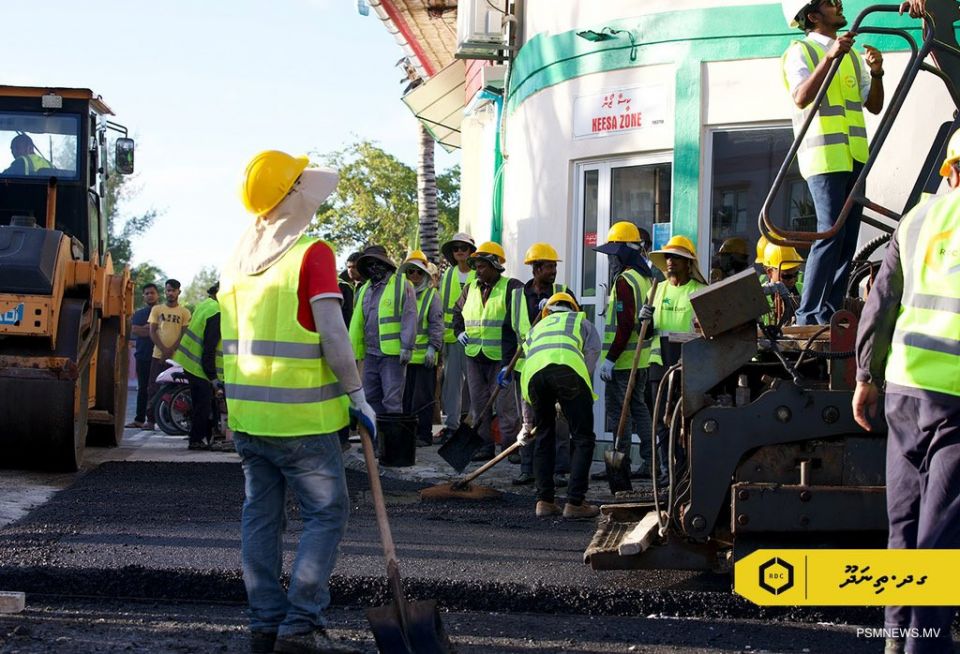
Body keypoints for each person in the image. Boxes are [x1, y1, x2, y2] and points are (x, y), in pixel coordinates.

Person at [221, 150, 371, 654]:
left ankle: (265, 621)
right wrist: (358, 396)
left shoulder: (237, 264)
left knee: (260, 516)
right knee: (327, 513)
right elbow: (332, 333)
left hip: (249, 420)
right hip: (303, 423)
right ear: (291, 196)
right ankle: (301, 624)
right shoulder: (312, 254)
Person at [852, 128, 960, 654]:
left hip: (904, 391)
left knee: (904, 521)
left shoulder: (914, 221)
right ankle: (928, 647)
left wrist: (865, 378)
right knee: (940, 532)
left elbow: (880, 305)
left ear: (950, 172)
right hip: (956, 403)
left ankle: (896, 637)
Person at [781, 0, 884, 326]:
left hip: (855, 157)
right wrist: (830, 57)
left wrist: (877, 72)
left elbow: (875, 105)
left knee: (846, 239)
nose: (839, 5)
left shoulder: (851, 56)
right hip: (824, 158)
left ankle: (831, 310)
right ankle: (809, 314)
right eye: (829, 2)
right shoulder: (802, 51)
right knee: (829, 235)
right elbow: (801, 96)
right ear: (812, 15)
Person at [519, 292, 601, 520]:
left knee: (544, 435)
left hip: (534, 378)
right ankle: (575, 502)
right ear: (572, 308)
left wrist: (526, 424)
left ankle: (544, 501)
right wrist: (573, 394)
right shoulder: (581, 321)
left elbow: (530, 366)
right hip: (568, 372)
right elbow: (592, 353)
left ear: (548, 312)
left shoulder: (537, 329)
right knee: (583, 437)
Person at [509, 242, 577, 487]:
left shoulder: (563, 292)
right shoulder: (517, 297)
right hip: (526, 368)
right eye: (549, 267)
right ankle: (528, 469)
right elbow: (510, 332)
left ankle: (559, 470)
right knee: (528, 421)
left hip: (555, 365)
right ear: (536, 269)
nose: (554, 271)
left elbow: (575, 323)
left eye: (554, 266)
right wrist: (506, 367)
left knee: (559, 420)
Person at [593, 222, 655, 480]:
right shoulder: (645, 278)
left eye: (613, 253)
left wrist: (610, 359)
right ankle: (653, 462)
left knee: (621, 413)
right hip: (640, 359)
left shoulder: (625, 280)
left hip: (623, 362)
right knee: (639, 409)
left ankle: (621, 465)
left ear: (624, 252)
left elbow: (626, 324)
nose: (611, 259)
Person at [452, 241, 524, 461]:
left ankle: (510, 448)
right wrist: (458, 332)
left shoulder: (512, 287)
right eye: (477, 266)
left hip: (501, 359)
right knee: (479, 404)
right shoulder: (470, 288)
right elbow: (457, 313)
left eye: (482, 266)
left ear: (495, 265)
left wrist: (510, 360)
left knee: (506, 406)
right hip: (474, 356)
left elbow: (520, 321)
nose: (478, 270)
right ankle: (484, 446)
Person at [647, 236, 708, 484]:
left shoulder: (699, 291)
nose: (670, 262)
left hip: (688, 359)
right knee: (661, 419)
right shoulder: (656, 290)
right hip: (659, 359)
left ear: (688, 263)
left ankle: (687, 469)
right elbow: (648, 331)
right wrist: (645, 319)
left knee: (686, 418)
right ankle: (667, 470)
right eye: (668, 257)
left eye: (677, 258)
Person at [349, 245, 417, 416]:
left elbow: (409, 316)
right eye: (369, 264)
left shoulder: (402, 285)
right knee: (370, 398)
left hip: (392, 355)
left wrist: (407, 347)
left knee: (392, 400)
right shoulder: (364, 289)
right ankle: (377, 441)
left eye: (377, 263)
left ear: (386, 264)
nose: (373, 267)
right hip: (370, 353)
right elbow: (359, 321)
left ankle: (392, 442)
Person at [399, 250, 443, 446]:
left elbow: (436, 324)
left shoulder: (431, 296)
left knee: (423, 399)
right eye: (410, 272)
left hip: (425, 357)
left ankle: (423, 435)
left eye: (418, 273)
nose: (414, 276)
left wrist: (433, 347)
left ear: (425, 275)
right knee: (405, 399)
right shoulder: (401, 295)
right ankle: (408, 434)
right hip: (404, 358)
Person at [436, 232, 477, 444]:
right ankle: (452, 426)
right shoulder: (449, 275)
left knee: (474, 386)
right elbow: (443, 307)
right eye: (456, 248)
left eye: (464, 247)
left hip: (475, 338)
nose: (460, 251)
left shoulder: (479, 274)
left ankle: (471, 426)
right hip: (452, 338)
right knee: (451, 386)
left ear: (471, 251)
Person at [173, 282, 222, 450]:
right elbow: (209, 349)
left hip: (190, 362)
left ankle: (201, 438)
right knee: (204, 406)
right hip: (200, 367)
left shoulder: (206, 304)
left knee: (200, 404)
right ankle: (196, 440)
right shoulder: (217, 313)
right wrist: (213, 377)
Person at [144, 279, 191, 431]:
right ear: (165, 291)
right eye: (168, 290)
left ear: (179, 292)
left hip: (176, 358)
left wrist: (171, 350)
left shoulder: (184, 312)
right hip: (158, 355)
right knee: (153, 388)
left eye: (173, 290)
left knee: (177, 389)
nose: (170, 293)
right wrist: (164, 349)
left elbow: (184, 334)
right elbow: (152, 331)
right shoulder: (157, 309)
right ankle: (150, 420)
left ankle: (173, 420)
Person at [126, 283, 160, 429]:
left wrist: (147, 328)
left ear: (157, 295)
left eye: (152, 293)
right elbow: (136, 331)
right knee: (143, 388)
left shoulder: (163, 312)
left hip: (160, 356)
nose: (149, 295)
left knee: (160, 388)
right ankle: (139, 419)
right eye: (146, 293)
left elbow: (162, 331)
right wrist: (153, 329)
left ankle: (160, 420)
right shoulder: (139, 314)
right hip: (143, 356)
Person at [761, 242, 805, 326]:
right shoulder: (759, 296)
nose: (792, 280)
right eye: (786, 276)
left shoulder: (803, 291)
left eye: (796, 274)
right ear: (769, 272)